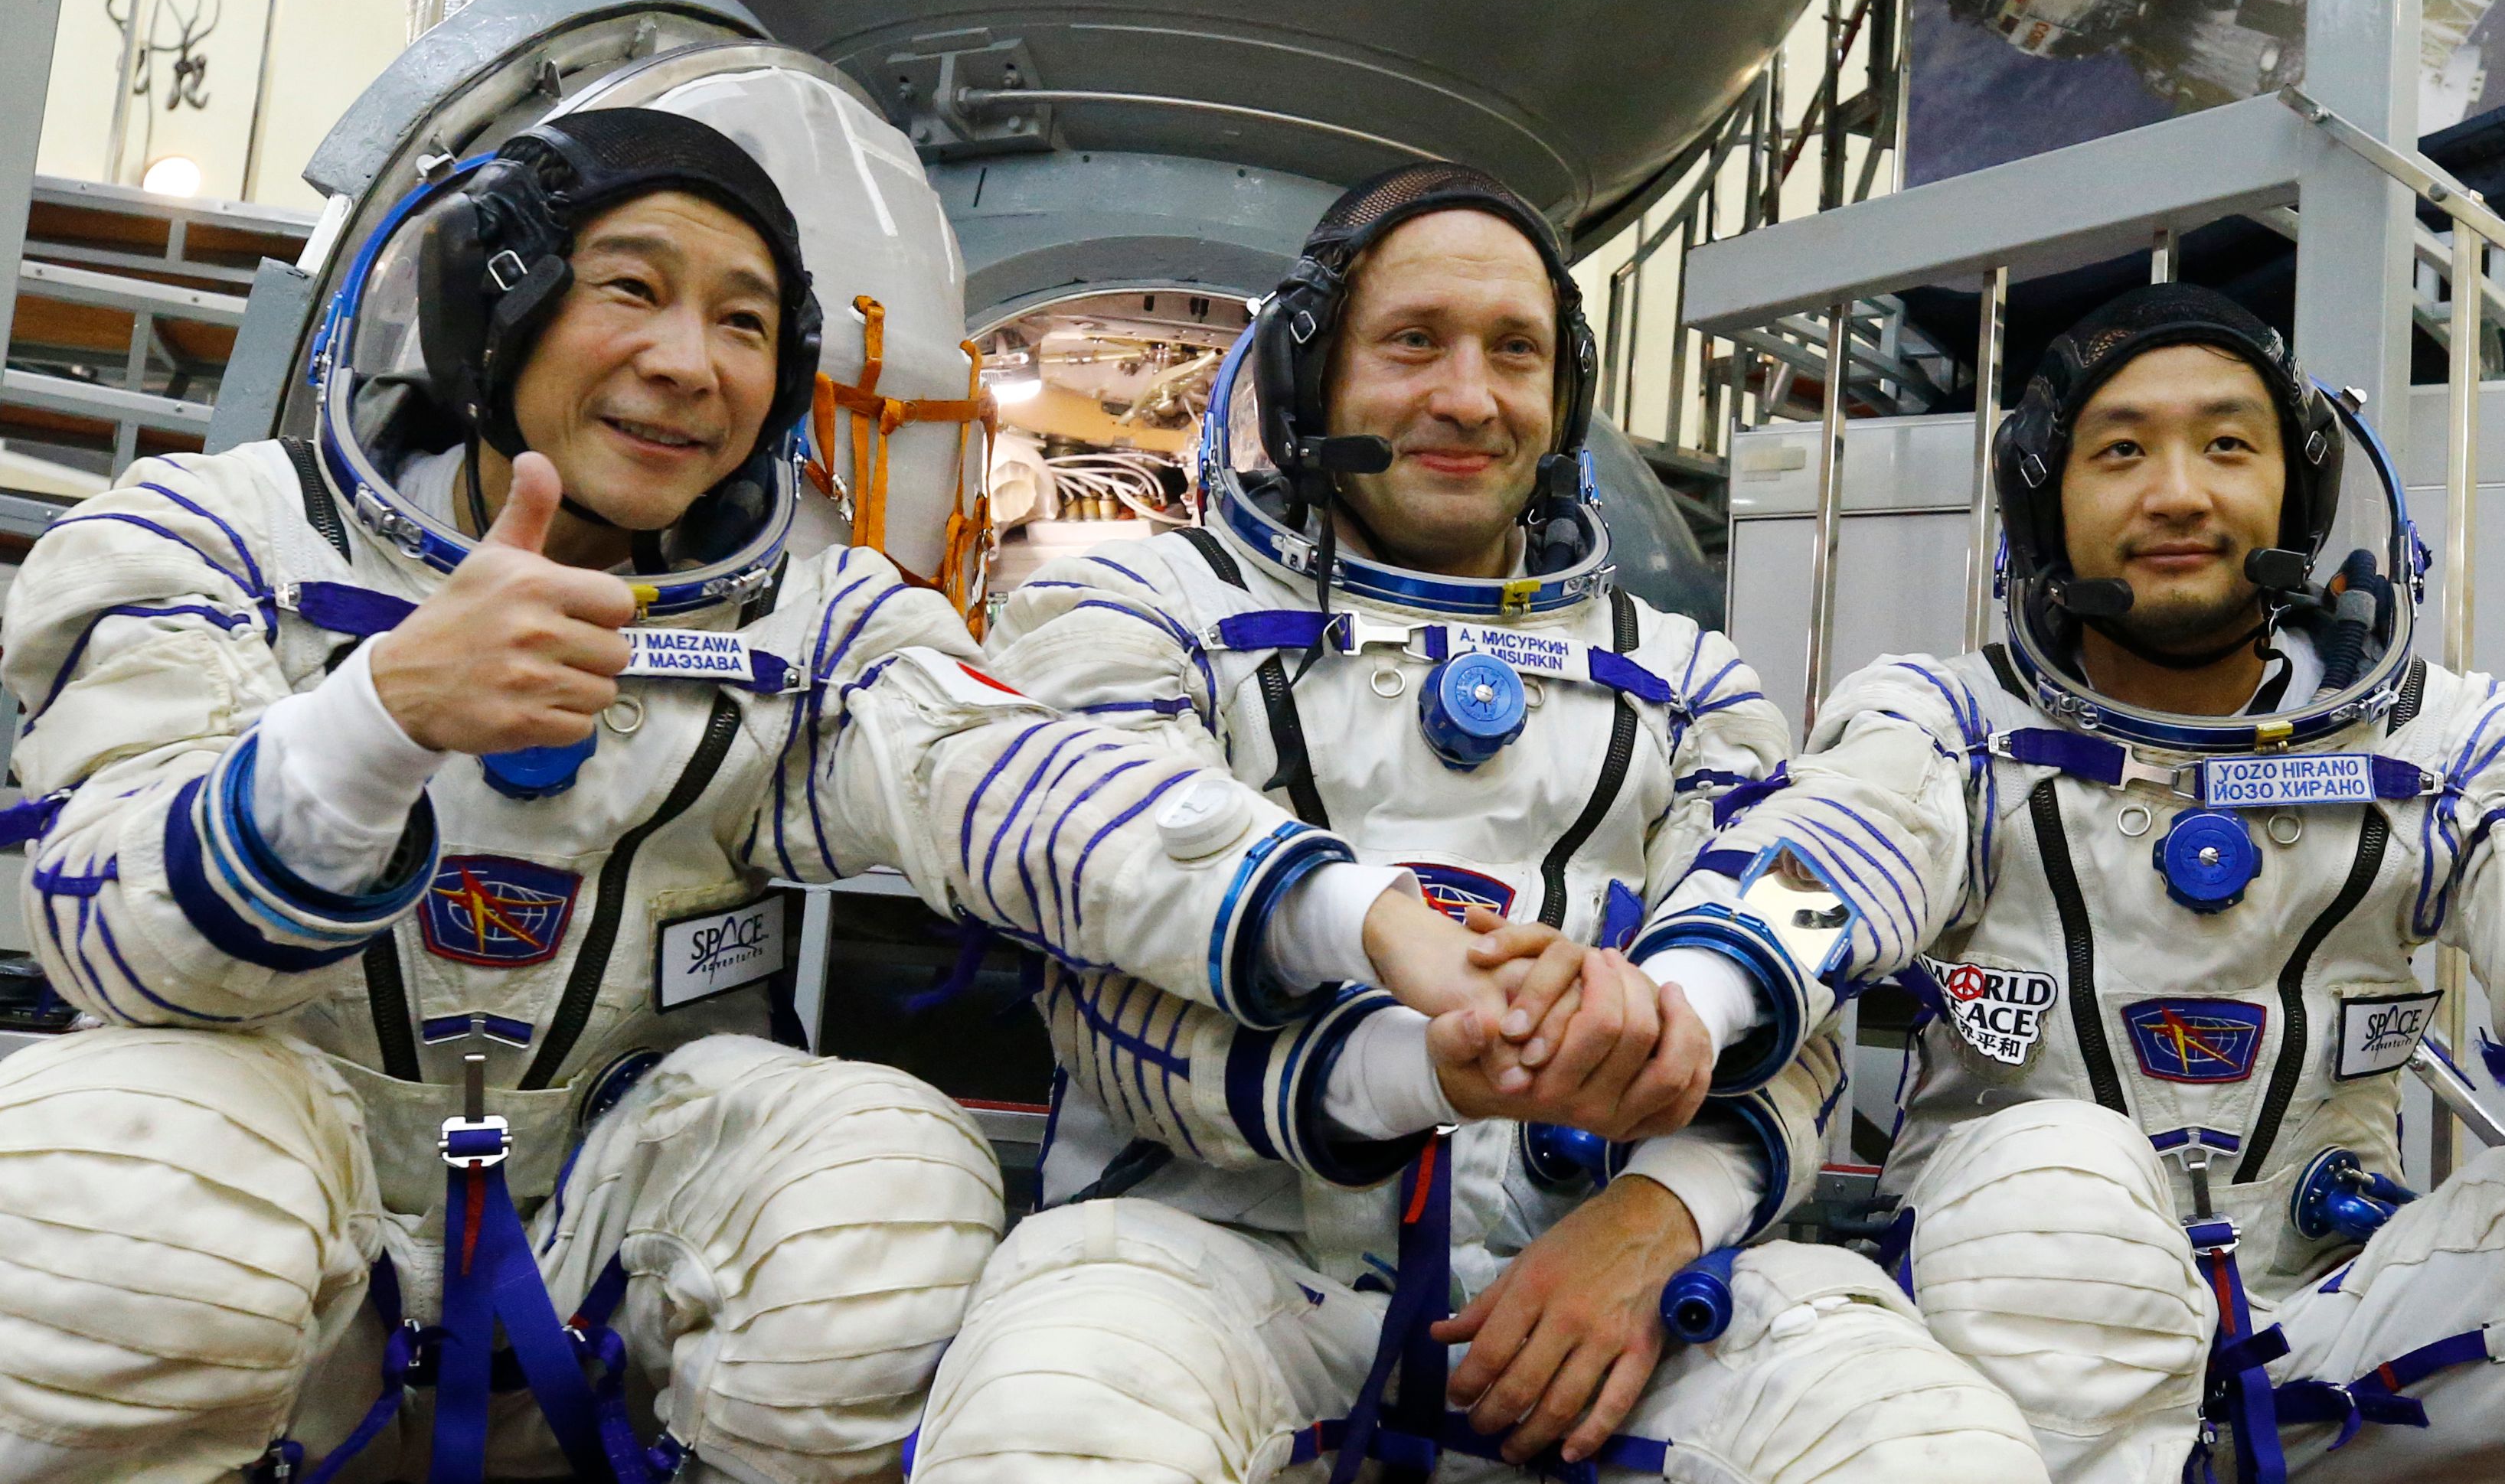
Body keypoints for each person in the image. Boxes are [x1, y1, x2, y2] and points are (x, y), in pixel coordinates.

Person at [0, 92, 1525, 1484]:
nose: (688, 363)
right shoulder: (213, 542)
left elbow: (1030, 781)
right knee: (129, 1177)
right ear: (490, 302)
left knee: (889, 1194)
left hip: (600, 1221)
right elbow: (123, 938)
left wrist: (1361, 915)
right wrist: (378, 718)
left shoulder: (808, 621)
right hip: (279, 1208)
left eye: (743, 323)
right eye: (631, 289)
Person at [911, 164, 2047, 1483]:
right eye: (1412, 343)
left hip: (1606, 1283)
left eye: (1516, 351)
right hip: (1220, 1263)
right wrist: (1414, 1031)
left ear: (1562, 400)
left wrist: (1659, 1215)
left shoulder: (1685, 679)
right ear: (1307, 378)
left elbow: (1800, 1003)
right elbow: (1106, 959)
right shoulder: (1137, 612)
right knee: (1056, 1421)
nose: (1467, 396)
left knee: (1925, 1445)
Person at [1635, 282, 2505, 1482]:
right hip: (2008, 1358)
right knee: (2056, 1181)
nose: (2177, 491)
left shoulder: (2458, 745)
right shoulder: (1949, 728)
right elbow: (1829, 865)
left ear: (2296, 491)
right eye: (2121, 451)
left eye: (2227, 444)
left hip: (2329, 1334)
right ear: (2045, 501)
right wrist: (1693, 992)